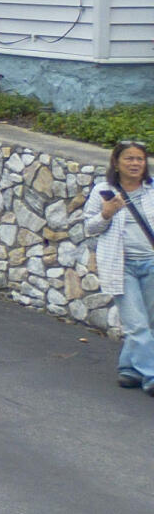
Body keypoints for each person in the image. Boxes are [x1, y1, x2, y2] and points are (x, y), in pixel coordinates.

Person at [94, 139, 154, 391]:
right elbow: (90, 227)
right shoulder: (104, 190)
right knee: (136, 324)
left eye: (139, 159)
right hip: (121, 266)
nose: (135, 163)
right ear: (116, 163)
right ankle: (151, 376)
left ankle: (129, 368)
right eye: (129, 158)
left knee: (148, 323)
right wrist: (106, 213)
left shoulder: (152, 190)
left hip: (151, 263)